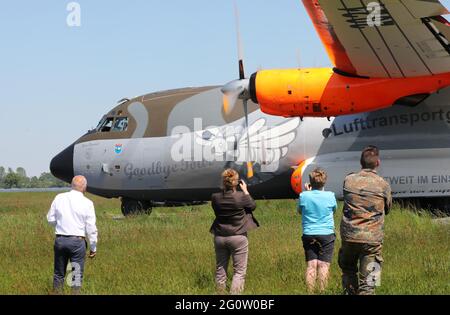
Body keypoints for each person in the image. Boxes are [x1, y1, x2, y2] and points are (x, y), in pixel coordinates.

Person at [338, 146, 392, 295]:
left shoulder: (348, 180)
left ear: (361, 162)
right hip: (373, 241)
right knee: (369, 284)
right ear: (378, 163)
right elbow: (387, 209)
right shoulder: (383, 185)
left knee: (348, 270)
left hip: (349, 237)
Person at [210, 169, 259, 295]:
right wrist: (245, 190)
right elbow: (252, 205)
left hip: (219, 236)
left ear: (223, 181)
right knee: (239, 272)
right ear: (236, 182)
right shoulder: (241, 197)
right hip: (238, 236)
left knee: (220, 269)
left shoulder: (215, 197)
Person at [47, 175, 98, 294]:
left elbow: (50, 219)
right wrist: (93, 247)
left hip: (60, 240)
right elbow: (91, 227)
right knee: (76, 276)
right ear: (85, 188)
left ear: (72, 185)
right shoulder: (88, 203)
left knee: (59, 274)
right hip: (77, 242)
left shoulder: (59, 197)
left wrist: (61, 226)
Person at [298, 168, 337, 293]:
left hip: (309, 233)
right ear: (324, 182)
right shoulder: (330, 195)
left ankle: (310, 292)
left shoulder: (303, 195)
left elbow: (300, 211)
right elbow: (334, 210)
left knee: (311, 265)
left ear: (310, 182)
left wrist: (308, 193)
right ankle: (322, 291)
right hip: (326, 234)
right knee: (323, 265)